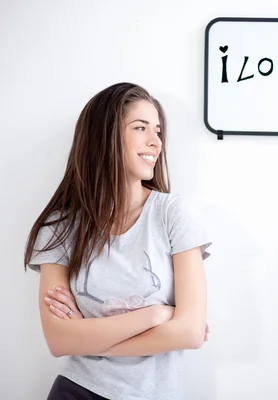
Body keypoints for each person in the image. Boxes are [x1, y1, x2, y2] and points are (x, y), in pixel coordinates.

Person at [24, 82, 212, 400]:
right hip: (78, 391)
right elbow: (59, 342)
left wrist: (86, 336)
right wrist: (155, 315)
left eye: (158, 131)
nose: (155, 142)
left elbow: (191, 332)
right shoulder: (59, 229)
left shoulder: (173, 214)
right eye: (141, 128)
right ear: (105, 136)